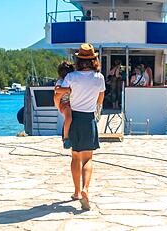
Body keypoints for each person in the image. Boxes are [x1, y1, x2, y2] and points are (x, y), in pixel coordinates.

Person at [61, 43, 105, 211]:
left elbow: (64, 95)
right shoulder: (98, 78)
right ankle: (86, 189)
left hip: (74, 119)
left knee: (75, 157)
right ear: (94, 59)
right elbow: (100, 100)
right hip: (88, 119)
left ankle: (76, 192)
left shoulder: (71, 77)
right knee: (88, 158)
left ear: (78, 60)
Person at [54, 61, 75, 149]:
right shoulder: (60, 81)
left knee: (71, 118)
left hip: (71, 103)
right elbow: (57, 90)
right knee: (68, 117)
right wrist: (68, 90)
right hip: (64, 103)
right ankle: (66, 138)